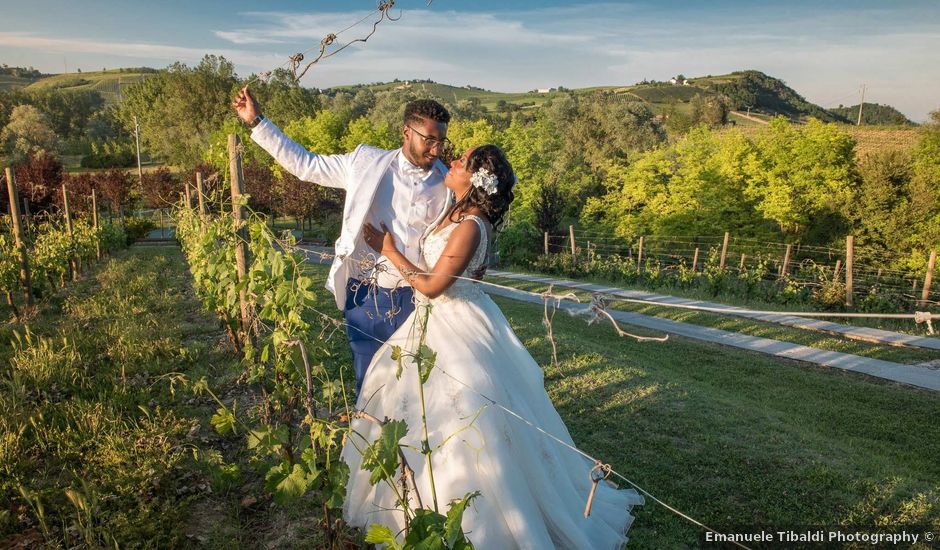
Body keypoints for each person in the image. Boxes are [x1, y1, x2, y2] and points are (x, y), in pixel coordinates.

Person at [344, 145, 643, 548]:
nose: (450, 163)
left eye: (459, 162)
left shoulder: (471, 225)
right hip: (434, 321)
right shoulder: (456, 211)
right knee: (416, 407)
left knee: (466, 414)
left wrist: (388, 250)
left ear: (476, 179)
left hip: (456, 324)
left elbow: (433, 285)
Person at [232, 87, 453, 393]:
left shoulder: (449, 182)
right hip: (366, 294)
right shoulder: (365, 163)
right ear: (406, 132)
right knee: (369, 386)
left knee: (416, 390)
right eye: (429, 140)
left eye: (441, 141)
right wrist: (258, 122)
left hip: (417, 300)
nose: (436, 150)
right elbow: (305, 165)